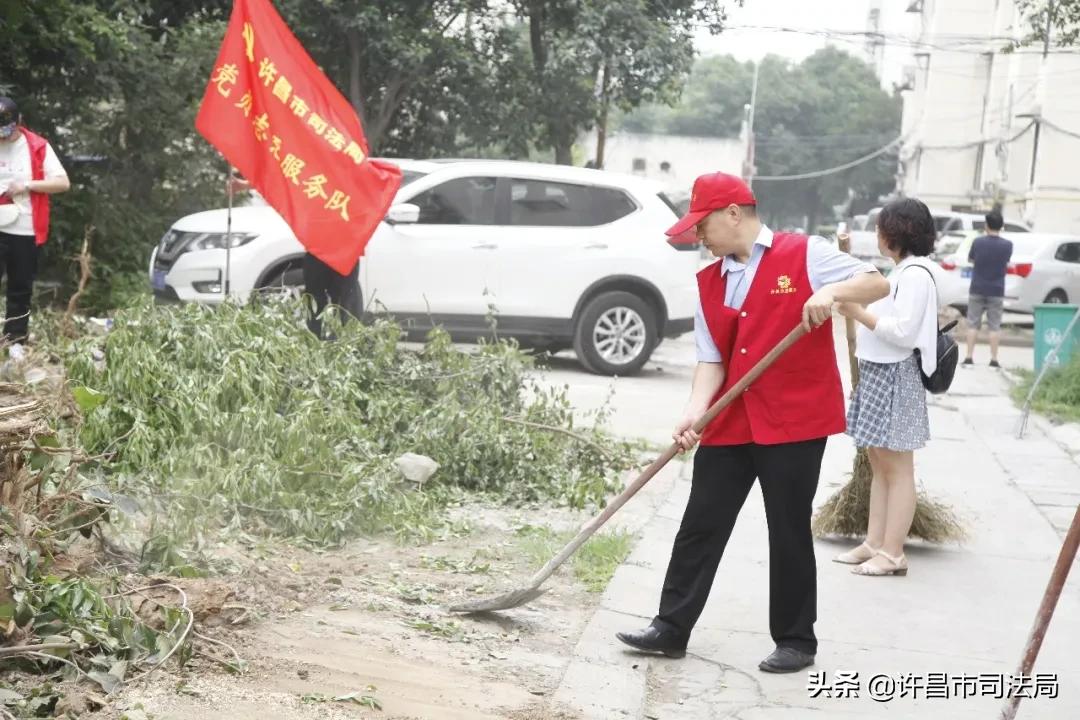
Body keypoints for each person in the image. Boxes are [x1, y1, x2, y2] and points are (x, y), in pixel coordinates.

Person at [615, 172, 889, 673]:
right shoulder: (710, 280)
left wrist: (829, 293)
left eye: (702, 225)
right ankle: (670, 628)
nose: (698, 237)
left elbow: (877, 281)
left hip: (794, 420)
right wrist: (694, 412)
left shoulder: (804, 253)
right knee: (702, 521)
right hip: (731, 418)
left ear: (733, 214)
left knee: (786, 528)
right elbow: (711, 359)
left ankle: (795, 640)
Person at [833, 198, 940, 577]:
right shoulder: (902, 271)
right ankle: (874, 542)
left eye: (881, 229)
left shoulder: (914, 275)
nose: (877, 235)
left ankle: (893, 552)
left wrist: (858, 313)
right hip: (880, 371)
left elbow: (904, 333)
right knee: (880, 464)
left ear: (895, 233)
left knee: (898, 468)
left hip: (896, 373)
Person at [228, 175, 361, 339]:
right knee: (313, 304)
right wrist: (245, 185)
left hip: (346, 251)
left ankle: (345, 350)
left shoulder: (351, 167)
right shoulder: (314, 171)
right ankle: (314, 347)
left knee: (345, 307)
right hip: (317, 250)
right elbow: (283, 178)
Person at [0, 97, 70, 357]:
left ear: (18, 122)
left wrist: (27, 185)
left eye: (6, 133)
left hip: (25, 227)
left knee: (20, 286)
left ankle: (15, 342)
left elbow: (62, 183)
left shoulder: (37, 146)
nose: (3, 139)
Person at [963, 210, 1012, 368]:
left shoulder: (978, 242)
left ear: (986, 225)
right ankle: (994, 360)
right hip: (997, 289)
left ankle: (969, 358)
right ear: (1001, 226)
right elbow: (1006, 261)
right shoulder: (1007, 245)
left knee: (972, 324)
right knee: (994, 325)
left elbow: (970, 258)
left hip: (977, 287)